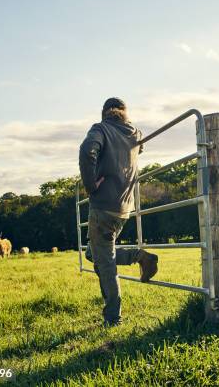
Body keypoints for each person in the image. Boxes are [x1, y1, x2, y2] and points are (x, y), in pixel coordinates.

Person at [79, 97, 158, 327]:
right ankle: (139, 257)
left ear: (104, 113)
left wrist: (91, 185)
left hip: (103, 206)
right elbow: (140, 147)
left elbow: (87, 151)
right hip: (124, 207)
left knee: (105, 263)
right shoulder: (135, 133)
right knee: (95, 254)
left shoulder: (100, 129)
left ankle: (113, 318)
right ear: (125, 113)